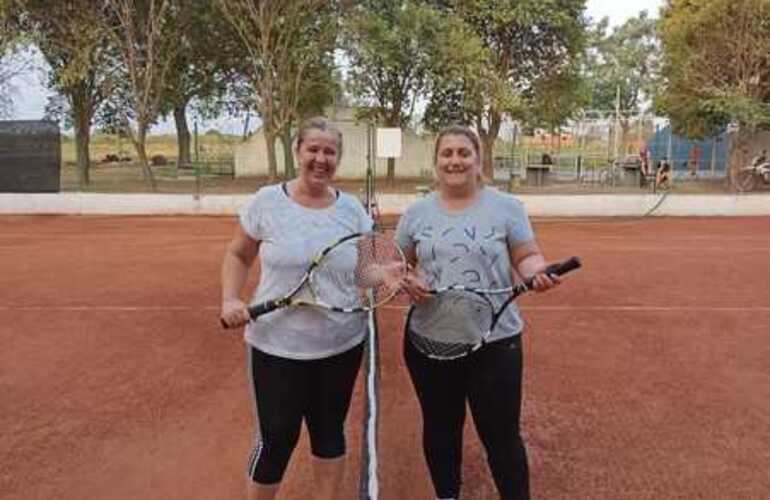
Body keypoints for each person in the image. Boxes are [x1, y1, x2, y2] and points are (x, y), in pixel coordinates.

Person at [395, 125, 562, 500]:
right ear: (436, 161)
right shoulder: (416, 213)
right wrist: (405, 279)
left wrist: (537, 271)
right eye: (447, 153)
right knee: (440, 429)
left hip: (495, 342)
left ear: (478, 159)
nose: (455, 160)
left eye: (463, 153)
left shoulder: (507, 207)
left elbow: (526, 254)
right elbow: (391, 267)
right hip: (429, 342)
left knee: (501, 435)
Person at [219, 117, 372, 500]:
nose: (321, 159)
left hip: (341, 344)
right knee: (277, 438)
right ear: (297, 152)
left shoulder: (352, 211)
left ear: (339, 158)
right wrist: (232, 298)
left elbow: (368, 268)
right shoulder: (267, 202)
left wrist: (391, 275)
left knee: (329, 432)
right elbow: (238, 254)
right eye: (313, 149)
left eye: (330, 151)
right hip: (276, 347)